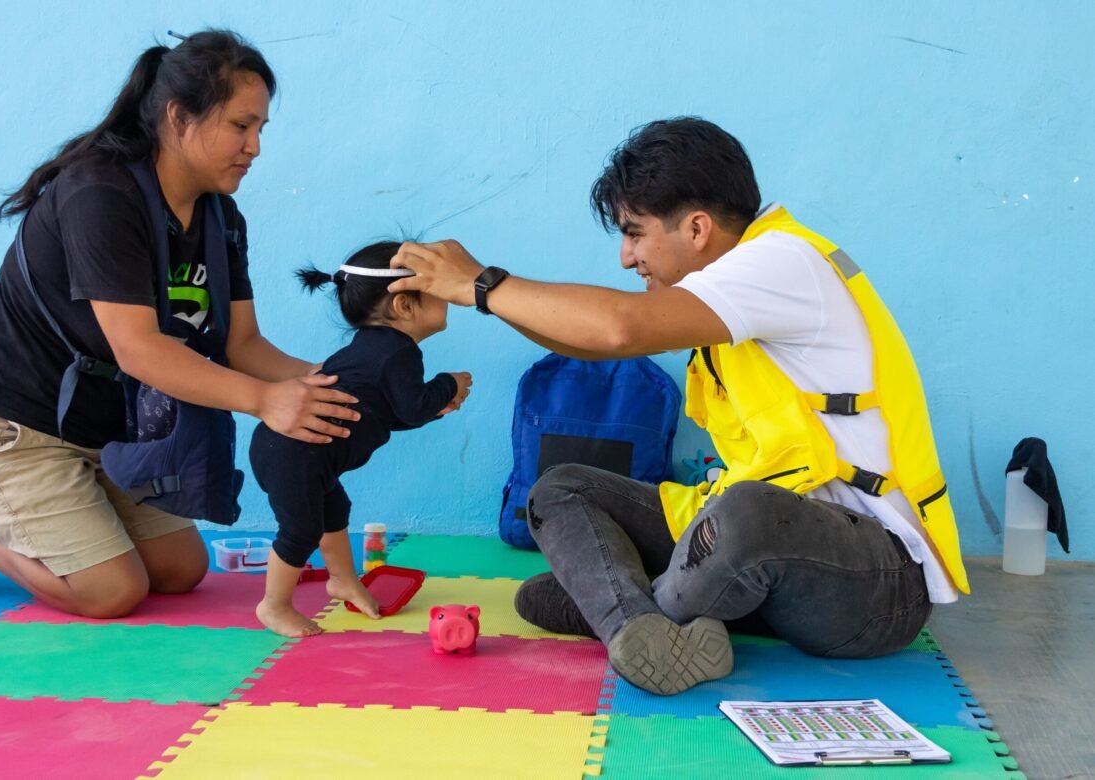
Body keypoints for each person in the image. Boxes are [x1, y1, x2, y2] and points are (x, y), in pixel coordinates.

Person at [389, 117, 970, 696]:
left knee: (746, 513)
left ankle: (625, 608)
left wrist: (482, 284)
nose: (626, 257)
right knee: (559, 490)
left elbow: (619, 328)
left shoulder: (781, 263)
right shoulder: (731, 287)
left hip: (877, 586)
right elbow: (590, 343)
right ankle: (640, 627)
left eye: (634, 233)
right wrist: (486, 300)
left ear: (696, 228)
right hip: (767, 557)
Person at [0, 31, 360, 616]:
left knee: (181, 571)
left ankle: (60, 514)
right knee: (112, 591)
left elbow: (242, 344)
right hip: (7, 424)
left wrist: (345, 385)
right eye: (240, 126)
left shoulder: (220, 217)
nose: (255, 147)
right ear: (179, 117)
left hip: (104, 433)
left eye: (261, 129)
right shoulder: (99, 192)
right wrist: (265, 401)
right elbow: (139, 350)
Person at [250, 241, 471, 637]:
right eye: (435, 288)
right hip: (294, 454)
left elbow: (387, 415)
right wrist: (447, 384)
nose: (446, 297)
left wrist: (435, 408)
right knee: (300, 531)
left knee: (334, 510)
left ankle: (342, 580)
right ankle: (274, 605)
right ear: (404, 305)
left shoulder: (374, 350)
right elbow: (412, 408)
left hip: (295, 451)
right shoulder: (397, 354)